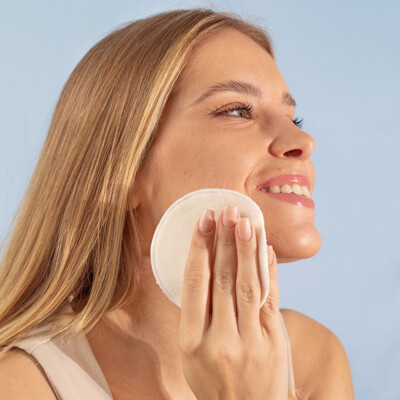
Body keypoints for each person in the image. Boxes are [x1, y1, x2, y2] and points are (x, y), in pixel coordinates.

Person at [0, 8, 354, 400]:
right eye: (237, 110)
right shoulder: (20, 385)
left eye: (294, 118)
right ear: (125, 171)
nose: (302, 141)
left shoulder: (312, 359)